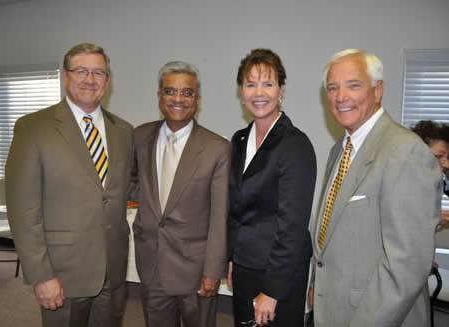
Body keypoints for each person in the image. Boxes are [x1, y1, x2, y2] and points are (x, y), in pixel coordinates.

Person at [308, 49, 441, 327]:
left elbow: (405, 266)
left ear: (378, 90)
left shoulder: (406, 152)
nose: (341, 96)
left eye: (353, 85)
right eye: (333, 88)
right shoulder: (340, 150)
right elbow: (329, 236)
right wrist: (316, 285)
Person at [5, 43, 133, 327]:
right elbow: (23, 210)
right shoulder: (33, 128)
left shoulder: (123, 131)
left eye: (98, 72)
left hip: (112, 271)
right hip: (62, 273)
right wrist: (41, 275)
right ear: (65, 76)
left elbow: (128, 187)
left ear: (107, 81)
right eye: (81, 71)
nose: (90, 79)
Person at [131, 61, 230, 327]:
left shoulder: (217, 148)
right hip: (151, 264)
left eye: (186, 93)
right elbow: (131, 182)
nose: (178, 99)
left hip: (195, 272)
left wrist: (212, 272)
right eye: (170, 91)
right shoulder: (140, 137)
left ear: (197, 100)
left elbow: (220, 218)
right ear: (159, 97)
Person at [227, 48, 317, 327]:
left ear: (281, 90)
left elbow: (292, 226)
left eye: (268, 84)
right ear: (241, 92)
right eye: (250, 84)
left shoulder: (295, 144)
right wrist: (233, 258)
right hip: (244, 266)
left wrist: (271, 291)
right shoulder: (239, 139)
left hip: (279, 273)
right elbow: (237, 207)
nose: (259, 93)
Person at [412, 120, 449, 225]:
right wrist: (432, 218)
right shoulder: (398, 179)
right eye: (439, 156)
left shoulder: (434, 179)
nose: (446, 165)